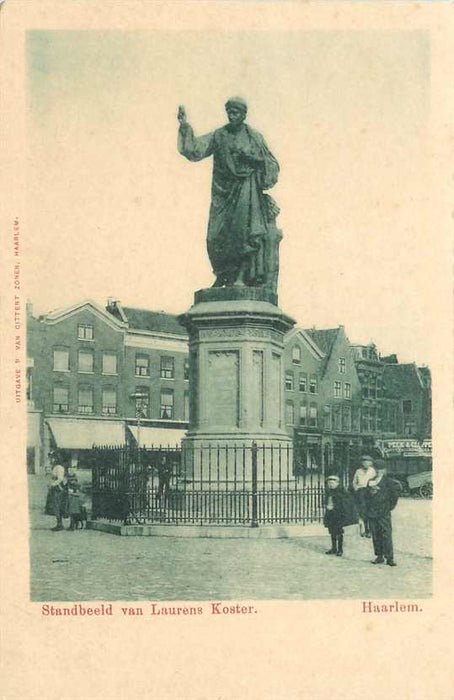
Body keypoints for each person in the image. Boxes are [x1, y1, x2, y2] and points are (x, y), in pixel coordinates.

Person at [178, 98, 281, 291]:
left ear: (244, 115)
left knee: (242, 234)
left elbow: (271, 165)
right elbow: (195, 150)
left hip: (246, 190)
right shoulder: (219, 135)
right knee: (215, 236)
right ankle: (222, 275)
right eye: (229, 112)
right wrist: (185, 127)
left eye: (236, 113)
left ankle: (240, 277)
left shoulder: (254, 137)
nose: (232, 116)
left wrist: (254, 160)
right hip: (222, 194)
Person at [365, 460, 400, 566]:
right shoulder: (370, 481)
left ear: (384, 470)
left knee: (386, 534)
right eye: (376, 469)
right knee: (375, 534)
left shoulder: (389, 482)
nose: (378, 471)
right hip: (372, 512)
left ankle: (389, 558)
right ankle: (379, 556)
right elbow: (366, 496)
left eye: (381, 469)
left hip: (383, 512)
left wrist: (389, 507)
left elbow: (394, 497)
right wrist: (370, 493)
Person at [323, 474, 358, 557]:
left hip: (339, 514)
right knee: (332, 531)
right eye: (329, 483)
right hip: (330, 514)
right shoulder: (328, 491)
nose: (331, 484)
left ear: (337, 483)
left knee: (339, 532)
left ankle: (340, 549)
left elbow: (346, 502)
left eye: (333, 483)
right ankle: (333, 548)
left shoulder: (342, 492)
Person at [352, 455, 376, 538]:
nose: (365, 464)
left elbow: (375, 481)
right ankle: (364, 530)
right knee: (362, 511)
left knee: (370, 511)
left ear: (370, 463)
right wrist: (356, 489)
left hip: (369, 492)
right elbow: (354, 482)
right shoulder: (358, 471)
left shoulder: (373, 471)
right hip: (361, 492)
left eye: (367, 462)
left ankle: (370, 530)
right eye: (364, 462)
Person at [47, 451, 68, 531]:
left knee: (57, 506)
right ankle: (59, 523)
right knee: (56, 506)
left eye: (52, 458)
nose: (51, 460)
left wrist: (52, 484)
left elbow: (60, 479)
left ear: (56, 458)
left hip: (58, 489)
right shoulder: (55, 467)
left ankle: (60, 524)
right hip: (55, 488)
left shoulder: (59, 467)